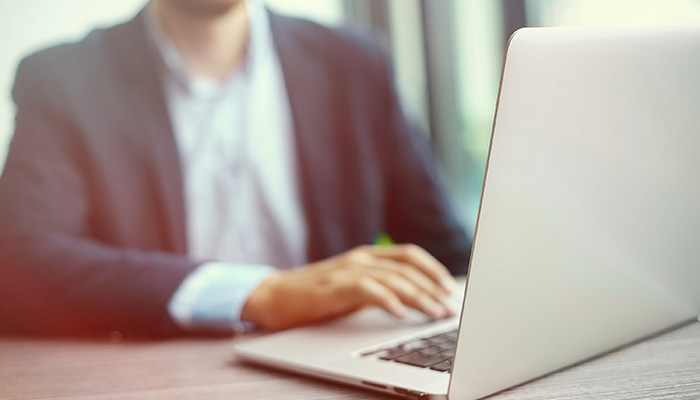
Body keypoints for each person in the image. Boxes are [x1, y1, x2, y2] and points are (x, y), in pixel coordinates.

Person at [0, 0, 471, 338]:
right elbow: (23, 264)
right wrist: (260, 294)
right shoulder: (63, 78)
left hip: (332, 360)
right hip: (158, 374)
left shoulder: (354, 63)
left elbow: (446, 253)